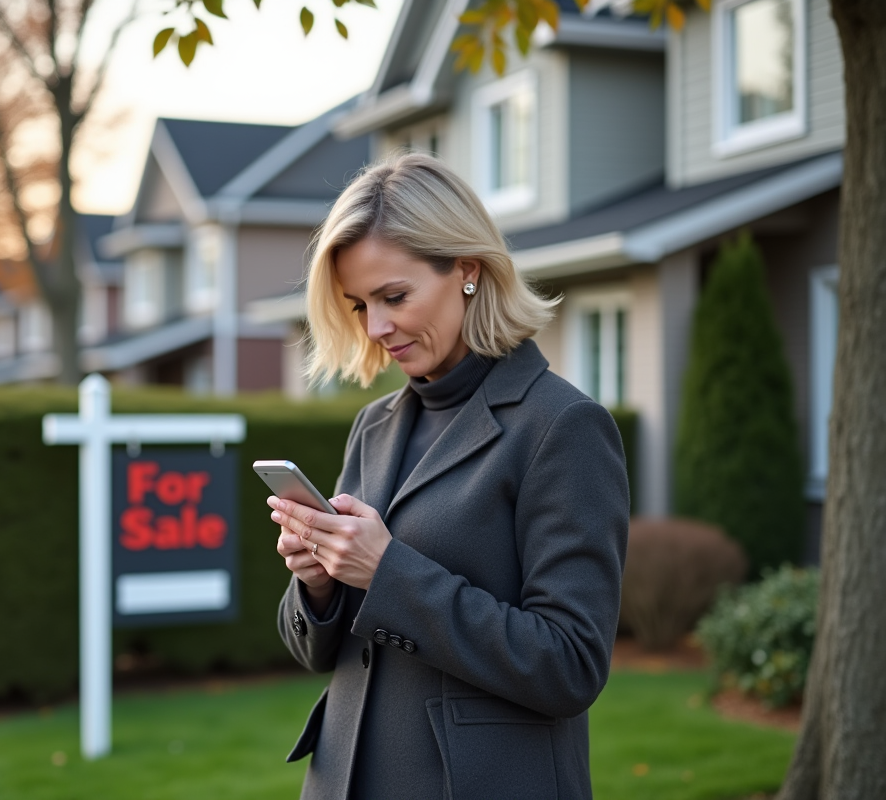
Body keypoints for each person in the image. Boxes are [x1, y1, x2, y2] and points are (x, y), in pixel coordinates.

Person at [269, 153, 630, 800]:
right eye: (358, 306)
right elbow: (324, 654)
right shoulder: (374, 425)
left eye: (394, 297)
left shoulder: (562, 426)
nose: (376, 329)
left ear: (467, 270)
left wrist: (387, 572)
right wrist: (320, 583)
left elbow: (570, 665)